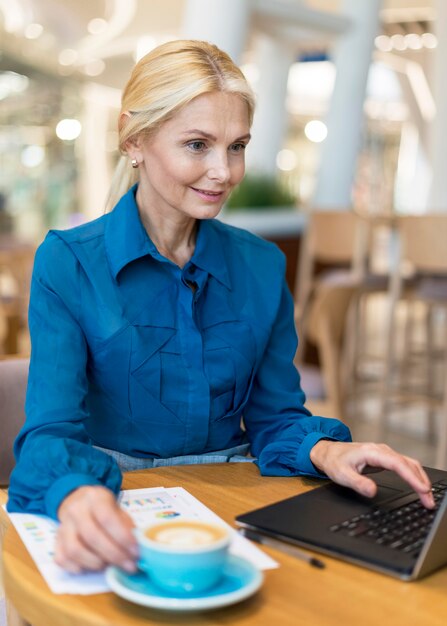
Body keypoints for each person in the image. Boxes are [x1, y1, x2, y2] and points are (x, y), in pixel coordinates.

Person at [7, 40, 434, 575]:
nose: (224, 172)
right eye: (197, 145)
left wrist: (325, 452)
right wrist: (72, 493)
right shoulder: (68, 262)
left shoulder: (261, 265)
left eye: (237, 146)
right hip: (111, 495)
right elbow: (51, 432)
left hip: (233, 496)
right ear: (134, 138)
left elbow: (275, 418)